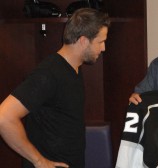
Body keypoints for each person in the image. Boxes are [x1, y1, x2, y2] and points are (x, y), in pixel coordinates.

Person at [0, 8, 110, 168]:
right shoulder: (49, 73)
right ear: (84, 41)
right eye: (100, 42)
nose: (103, 48)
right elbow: (4, 118)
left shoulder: (74, 68)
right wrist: (39, 161)